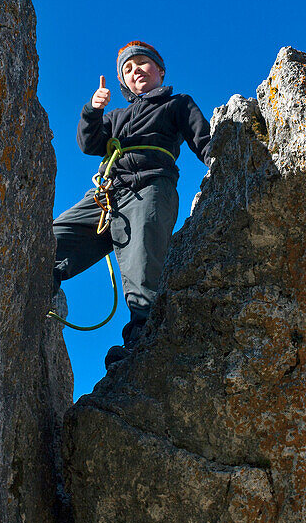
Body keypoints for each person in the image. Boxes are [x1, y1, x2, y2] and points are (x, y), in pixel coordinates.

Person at [52, 41, 212, 368]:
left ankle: (143, 345)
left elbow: (203, 140)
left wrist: (223, 162)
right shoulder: (115, 116)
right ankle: (29, 292)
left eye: (143, 63)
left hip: (151, 186)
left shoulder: (177, 104)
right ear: (123, 81)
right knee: (51, 241)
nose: (136, 69)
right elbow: (89, 143)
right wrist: (92, 111)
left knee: (142, 269)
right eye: (128, 68)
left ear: (160, 71)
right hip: (108, 193)